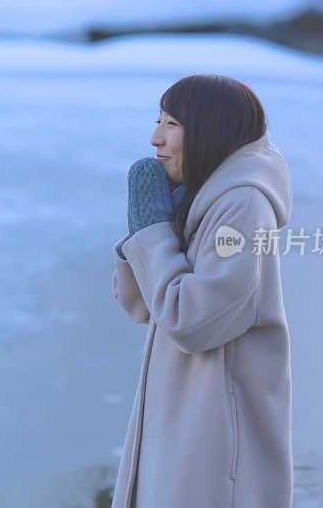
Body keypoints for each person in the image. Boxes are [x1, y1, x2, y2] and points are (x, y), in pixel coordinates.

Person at [110, 74, 294, 508]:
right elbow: (141, 306)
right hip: (181, 416)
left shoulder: (242, 205)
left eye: (172, 124)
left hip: (216, 434)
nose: (156, 138)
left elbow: (192, 322)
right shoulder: (200, 199)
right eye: (159, 121)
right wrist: (152, 223)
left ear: (210, 128)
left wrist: (152, 230)